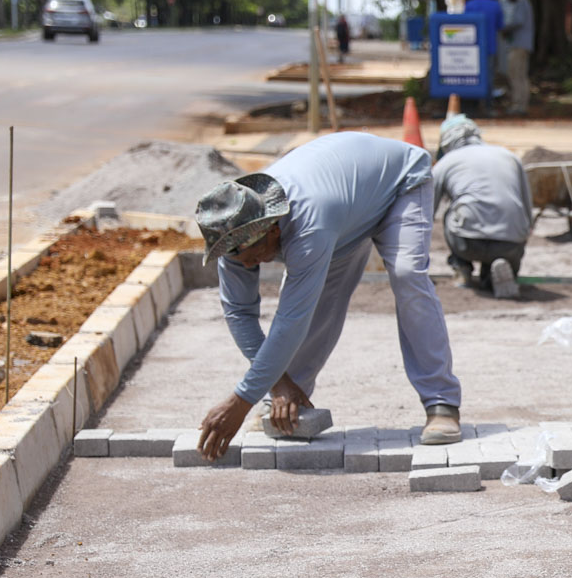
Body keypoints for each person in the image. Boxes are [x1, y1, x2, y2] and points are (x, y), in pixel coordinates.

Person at [193, 133, 465, 460]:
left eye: (252, 254)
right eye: (238, 260)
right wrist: (276, 385)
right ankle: (288, 402)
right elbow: (239, 313)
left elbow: (291, 320)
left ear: (273, 228)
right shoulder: (234, 231)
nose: (248, 265)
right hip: (348, 208)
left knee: (407, 275)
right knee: (317, 302)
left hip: (400, 183)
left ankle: (441, 402)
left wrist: (241, 400)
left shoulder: (309, 225)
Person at [433, 114, 532, 300]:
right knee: (508, 228)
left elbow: (425, 211)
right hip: (511, 244)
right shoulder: (509, 156)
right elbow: (527, 208)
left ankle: (462, 269)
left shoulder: (447, 162)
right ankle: (496, 272)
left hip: (467, 242)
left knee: (452, 213)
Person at [462, 0, 505, 116]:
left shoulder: (469, 5)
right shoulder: (495, 5)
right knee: (488, 78)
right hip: (489, 47)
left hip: (471, 49)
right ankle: (487, 107)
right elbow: (500, 26)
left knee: (472, 77)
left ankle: (471, 107)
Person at [499, 0, 534, 116]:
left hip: (519, 45)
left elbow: (518, 21)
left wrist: (505, 28)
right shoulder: (525, 2)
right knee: (521, 76)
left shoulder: (521, 2)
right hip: (523, 45)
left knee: (516, 75)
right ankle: (521, 104)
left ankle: (518, 105)